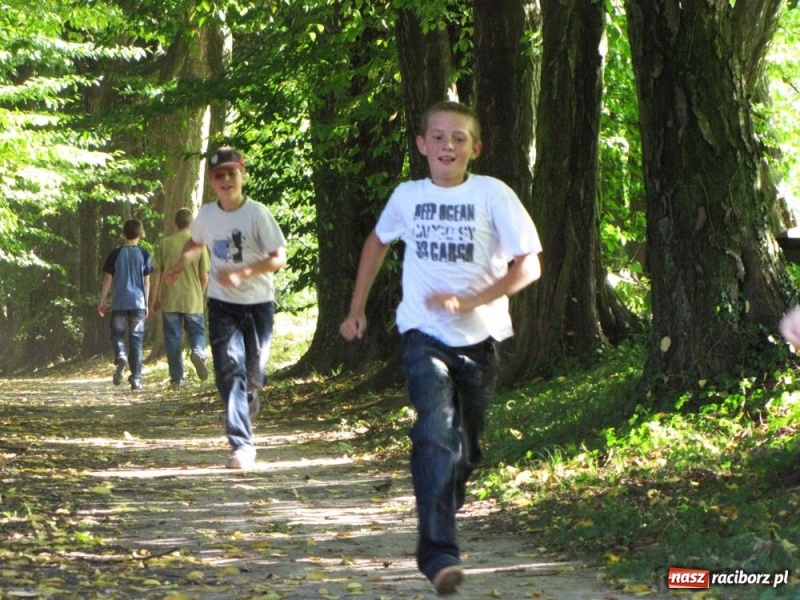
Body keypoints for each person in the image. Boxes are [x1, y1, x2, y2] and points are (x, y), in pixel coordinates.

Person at [340, 101, 542, 595]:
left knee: (465, 450)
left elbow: (529, 264)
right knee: (435, 430)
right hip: (422, 333)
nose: (447, 145)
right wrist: (356, 308)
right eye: (437, 136)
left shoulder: (493, 194)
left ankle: (442, 501)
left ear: (475, 147)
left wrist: (473, 298)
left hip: (481, 338)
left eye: (458, 138)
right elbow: (377, 242)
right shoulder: (408, 196)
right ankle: (438, 553)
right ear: (421, 144)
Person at [166, 146, 287, 470]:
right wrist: (179, 264)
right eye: (219, 175)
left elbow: (279, 257)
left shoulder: (257, 214)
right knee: (228, 372)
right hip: (222, 304)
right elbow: (196, 242)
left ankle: (249, 398)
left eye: (232, 173)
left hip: (258, 304)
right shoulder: (206, 215)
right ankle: (241, 445)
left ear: (242, 176)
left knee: (251, 375)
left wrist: (245, 272)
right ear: (211, 181)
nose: (226, 180)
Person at [150, 208, 211, 388]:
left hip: (170, 298)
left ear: (175, 224)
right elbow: (204, 276)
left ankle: (177, 379)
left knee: (172, 339)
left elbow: (158, 274)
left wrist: (155, 298)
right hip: (192, 298)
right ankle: (198, 352)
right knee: (197, 332)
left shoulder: (165, 244)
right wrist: (199, 294)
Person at [98, 218, 154, 391]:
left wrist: (103, 300)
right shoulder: (144, 254)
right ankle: (136, 378)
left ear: (123, 234)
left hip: (119, 302)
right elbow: (147, 282)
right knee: (136, 340)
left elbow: (108, 278)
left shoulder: (115, 254)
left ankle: (121, 355)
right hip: (137, 302)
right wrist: (146, 303)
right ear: (140, 235)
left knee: (117, 334)